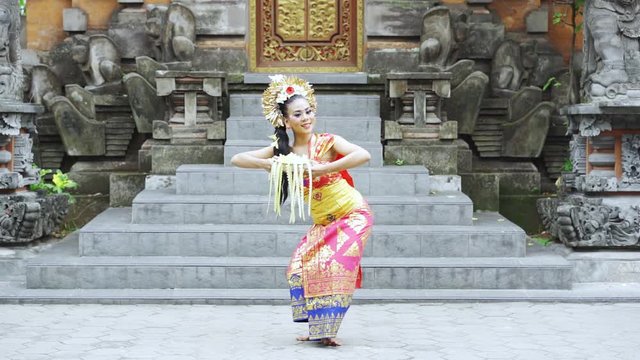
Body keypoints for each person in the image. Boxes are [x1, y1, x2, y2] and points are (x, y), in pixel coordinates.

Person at [231, 75, 373, 346]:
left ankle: (327, 331)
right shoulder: (283, 151)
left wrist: (322, 168)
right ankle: (318, 327)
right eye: (298, 114)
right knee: (298, 268)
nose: (306, 117)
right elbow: (237, 159)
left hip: (353, 214)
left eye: (309, 111)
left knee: (332, 265)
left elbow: (363, 155)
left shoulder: (329, 142)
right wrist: (270, 165)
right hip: (323, 222)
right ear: (286, 121)